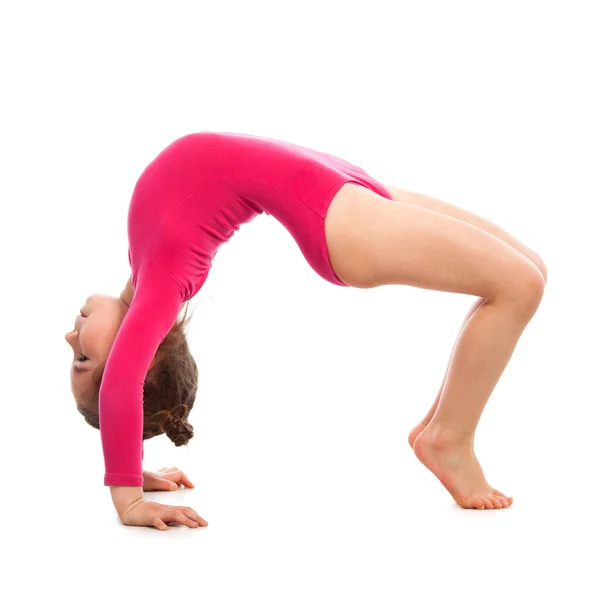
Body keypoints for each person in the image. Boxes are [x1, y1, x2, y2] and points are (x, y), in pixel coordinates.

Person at [65, 131, 547, 529]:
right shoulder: (161, 285)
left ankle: (439, 427)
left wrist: (135, 467)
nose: (70, 339)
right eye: (82, 359)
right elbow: (121, 390)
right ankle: (449, 438)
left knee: (531, 269)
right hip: (334, 217)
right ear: (141, 356)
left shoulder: (144, 264)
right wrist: (127, 498)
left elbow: (124, 392)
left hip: (341, 183)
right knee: (519, 286)